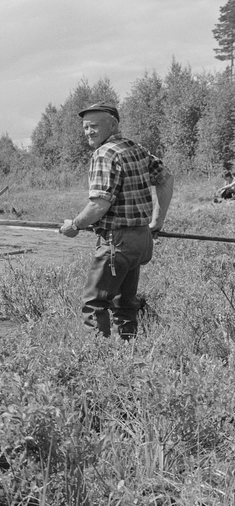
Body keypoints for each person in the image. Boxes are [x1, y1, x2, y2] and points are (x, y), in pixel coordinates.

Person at [58, 102, 173, 340]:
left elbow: (99, 204)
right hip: (141, 240)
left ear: (112, 124)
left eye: (94, 126)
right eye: (85, 127)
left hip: (116, 242)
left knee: (94, 303)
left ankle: (97, 361)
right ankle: (129, 349)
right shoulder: (136, 149)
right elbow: (166, 178)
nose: (88, 132)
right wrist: (156, 222)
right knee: (125, 301)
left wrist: (75, 225)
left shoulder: (104, 153)